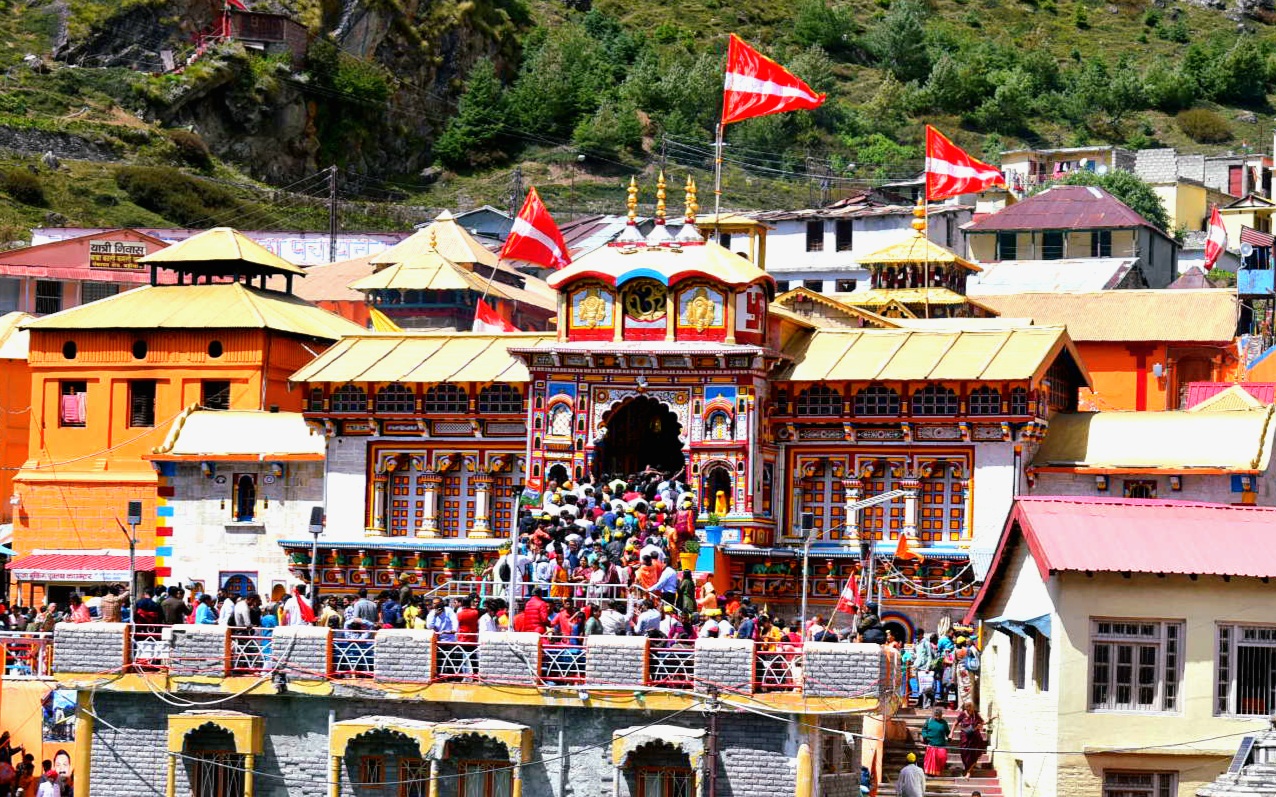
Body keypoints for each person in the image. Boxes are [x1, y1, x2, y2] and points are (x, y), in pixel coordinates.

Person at [955, 701, 988, 778]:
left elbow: (982, 722)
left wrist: (990, 719)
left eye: (972, 708)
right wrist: (951, 733)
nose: (971, 710)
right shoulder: (962, 714)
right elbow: (955, 723)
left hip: (975, 738)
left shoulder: (975, 714)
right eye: (969, 708)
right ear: (966, 708)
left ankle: (969, 771)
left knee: (975, 754)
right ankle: (967, 768)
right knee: (964, 753)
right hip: (965, 737)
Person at [919, 707, 951, 777]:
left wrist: (949, 736)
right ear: (934, 715)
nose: (938, 717)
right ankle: (929, 773)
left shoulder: (944, 722)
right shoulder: (929, 721)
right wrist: (925, 736)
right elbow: (924, 729)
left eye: (939, 716)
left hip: (941, 744)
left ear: (941, 715)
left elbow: (948, 732)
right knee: (930, 760)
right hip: (931, 743)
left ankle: (938, 771)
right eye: (936, 716)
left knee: (942, 757)